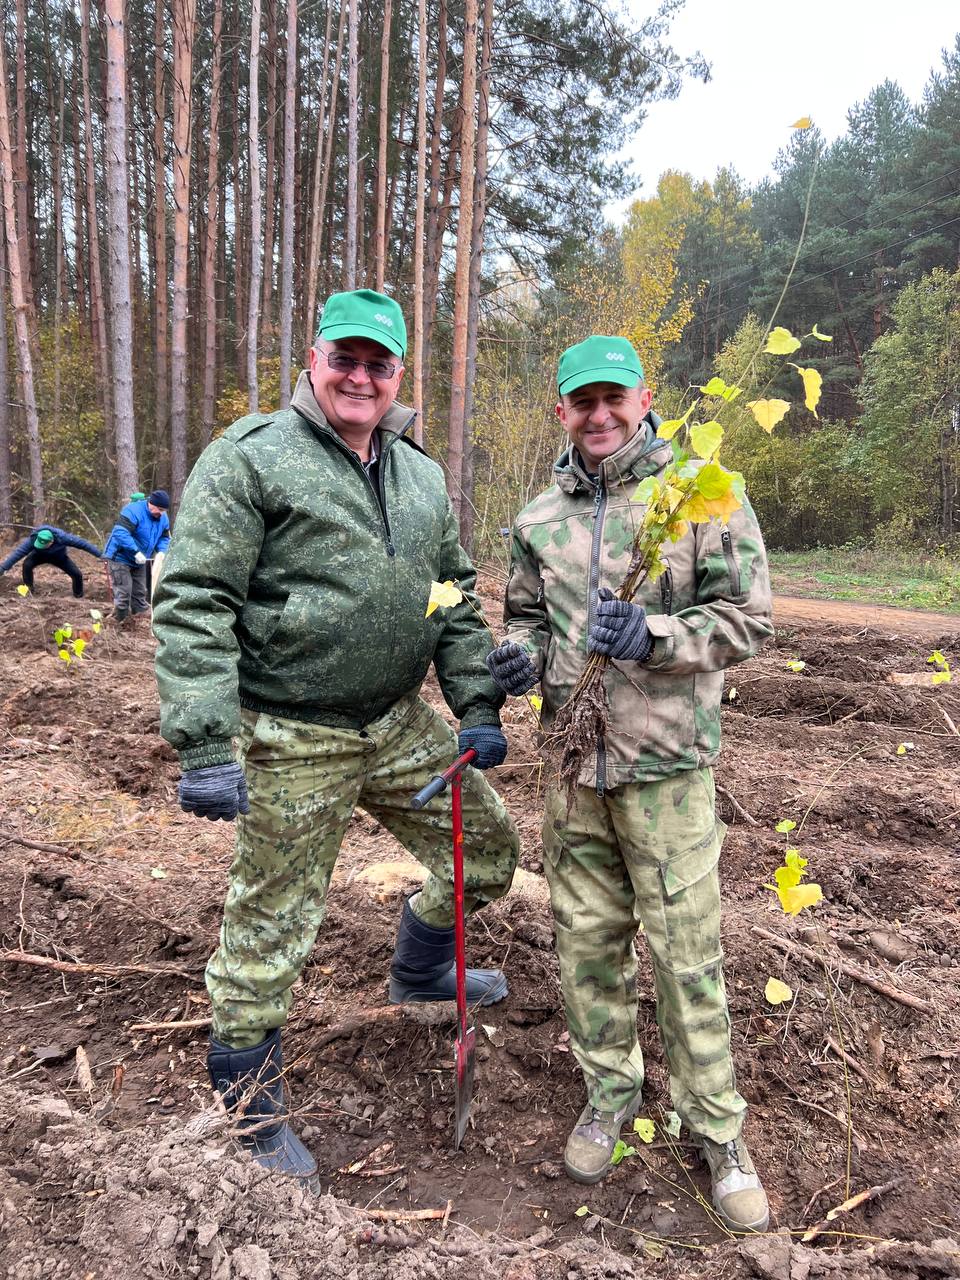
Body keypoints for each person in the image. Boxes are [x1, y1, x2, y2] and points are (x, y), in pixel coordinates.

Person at [152, 288, 519, 1183]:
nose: (361, 376)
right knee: (272, 924)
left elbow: (453, 595)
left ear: (399, 377)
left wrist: (476, 703)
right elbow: (195, 598)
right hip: (292, 732)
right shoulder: (252, 458)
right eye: (345, 358)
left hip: (398, 724)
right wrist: (204, 743)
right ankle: (246, 1107)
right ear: (312, 361)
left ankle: (421, 968)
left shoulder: (421, 475)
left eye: (378, 363)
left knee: (491, 853)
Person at [486, 335, 774, 1232]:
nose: (601, 415)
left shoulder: (699, 494)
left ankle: (716, 1130)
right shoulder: (537, 518)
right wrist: (516, 659)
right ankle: (611, 1095)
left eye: (616, 398)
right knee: (585, 946)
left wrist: (657, 635)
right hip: (573, 774)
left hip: (668, 772)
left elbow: (747, 620)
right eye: (583, 402)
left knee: (689, 958)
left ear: (645, 397)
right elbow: (528, 617)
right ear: (561, 410)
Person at [103, 489, 171, 621]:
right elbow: (120, 533)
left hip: (140, 559)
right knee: (123, 594)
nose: (162, 513)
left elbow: (164, 537)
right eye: (160, 509)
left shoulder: (163, 517)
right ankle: (118, 624)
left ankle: (139, 624)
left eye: (164, 511)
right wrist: (135, 551)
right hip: (120, 558)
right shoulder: (133, 511)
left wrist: (162, 551)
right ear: (151, 503)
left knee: (140, 593)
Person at [0, 525, 102, 597]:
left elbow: (83, 544)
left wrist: (101, 555)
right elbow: (16, 555)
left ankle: (78, 595)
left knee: (77, 574)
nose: (41, 546)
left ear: (51, 541)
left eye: (43, 545)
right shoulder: (32, 540)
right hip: (38, 556)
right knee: (27, 565)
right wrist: (2, 569)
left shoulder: (63, 538)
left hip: (59, 557)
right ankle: (29, 590)